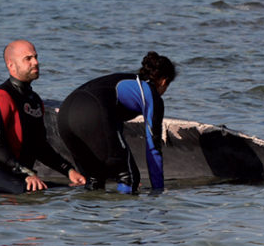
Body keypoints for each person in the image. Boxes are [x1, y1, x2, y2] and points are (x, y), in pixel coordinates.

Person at [0, 40, 86, 194]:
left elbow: (40, 147)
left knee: (75, 191)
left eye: (36, 57)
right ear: (11, 65)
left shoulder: (35, 100)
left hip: (20, 176)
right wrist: (27, 173)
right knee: (36, 193)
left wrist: (69, 171)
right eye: (28, 58)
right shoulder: (0, 97)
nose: (36, 62)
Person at [57, 52, 176, 194]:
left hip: (65, 114)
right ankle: (126, 216)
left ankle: (87, 215)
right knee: (129, 177)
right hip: (92, 110)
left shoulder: (121, 79)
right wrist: (158, 190)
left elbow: (111, 125)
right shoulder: (150, 94)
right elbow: (153, 148)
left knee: (95, 177)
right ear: (164, 81)